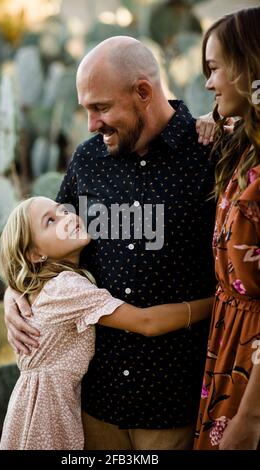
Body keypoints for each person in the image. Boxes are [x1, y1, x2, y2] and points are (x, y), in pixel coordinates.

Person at [4, 36, 217, 450]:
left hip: (172, 400)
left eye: (101, 108)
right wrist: (15, 291)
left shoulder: (208, 153)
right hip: (94, 402)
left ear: (143, 92)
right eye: (86, 109)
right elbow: (38, 241)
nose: (91, 124)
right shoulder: (87, 159)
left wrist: (226, 118)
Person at [0, 196, 212, 450]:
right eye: (51, 221)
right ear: (36, 254)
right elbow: (146, 322)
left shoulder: (45, 287)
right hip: (48, 412)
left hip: (32, 405)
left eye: (64, 211)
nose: (67, 219)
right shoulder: (66, 288)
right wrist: (217, 303)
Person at [194, 7, 260, 450]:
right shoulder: (243, 148)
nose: (208, 83)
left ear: (249, 65)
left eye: (214, 68)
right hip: (228, 344)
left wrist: (250, 418)